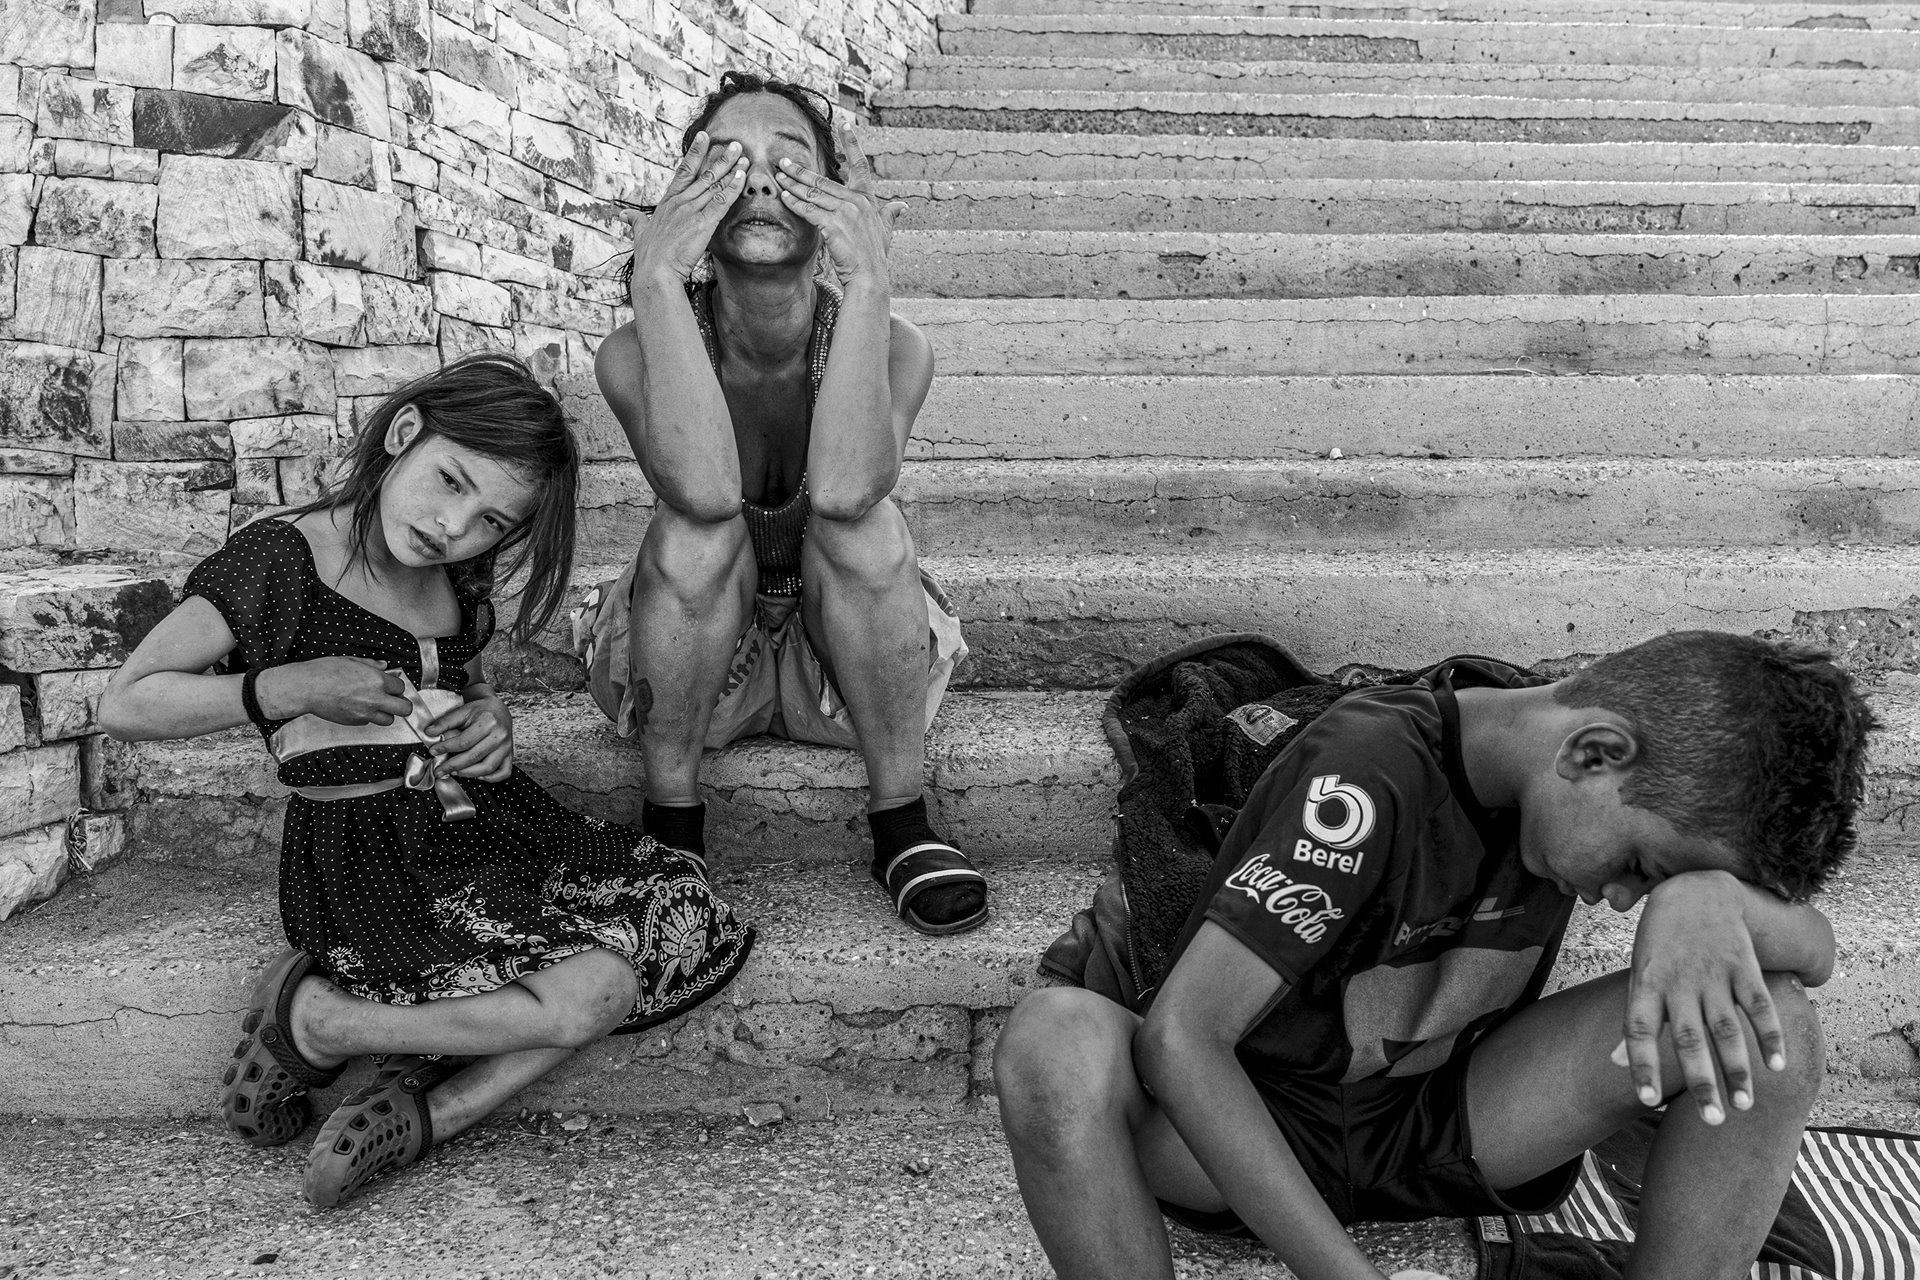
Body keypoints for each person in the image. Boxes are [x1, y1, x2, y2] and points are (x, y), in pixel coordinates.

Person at [994, 632, 1873, 1280]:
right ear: (1595, 752)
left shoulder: (1571, 792)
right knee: (1052, 1040)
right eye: (1641, 867)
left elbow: (1815, 954)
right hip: (1258, 1133)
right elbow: (1181, 1040)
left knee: (1776, 1024)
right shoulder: (1364, 774)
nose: (1624, 899)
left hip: (1445, 1123)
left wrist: (1704, 899)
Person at [99, 354, 755, 1209]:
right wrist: (283, 687)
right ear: (405, 436)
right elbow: (128, 701)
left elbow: (466, 684)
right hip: (373, 861)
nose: (455, 528)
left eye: (490, 521)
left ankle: (421, 1114)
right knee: (592, 988)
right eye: (450, 482)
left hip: (489, 830)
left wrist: (491, 723)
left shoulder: (456, 577)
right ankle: (320, 1023)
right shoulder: (282, 559)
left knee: (672, 904)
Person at [575, 70, 985, 936]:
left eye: (789, 163)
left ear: (835, 197)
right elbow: (706, 492)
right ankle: (673, 830)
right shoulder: (629, 352)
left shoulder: (897, 348)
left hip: (849, 666)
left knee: (867, 529)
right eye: (727, 163)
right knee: (691, 531)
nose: (759, 180)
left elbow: (842, 488)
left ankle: (902, 824)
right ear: (687, 195)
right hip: (695, 664)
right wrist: (655, 279)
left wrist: (869, 283)